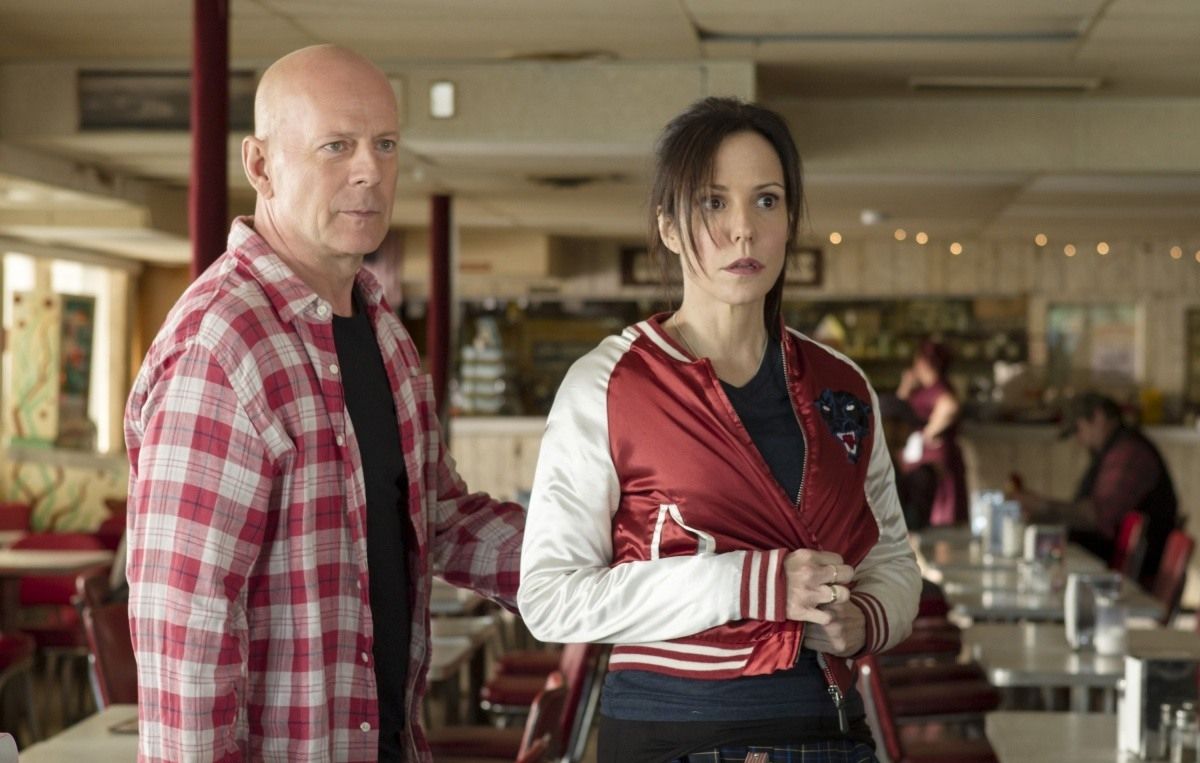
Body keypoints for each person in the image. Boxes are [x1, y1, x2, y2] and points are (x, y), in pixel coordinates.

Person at [124, 45, 524, 763]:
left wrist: (624, 554)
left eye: (385, 144)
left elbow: (438, 518)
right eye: (336, 146)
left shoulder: (383, 333)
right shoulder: (223, 346)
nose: (369, 170)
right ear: (260, 165)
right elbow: (186, 631)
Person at [518, 97, 921, 763]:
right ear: (668, 226)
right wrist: (751, 582)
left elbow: (893, 561)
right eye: (712, 202)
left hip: (831, 731)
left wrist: (866, 619)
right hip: (676, 733)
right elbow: (551, 596)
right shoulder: (609, 384)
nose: (743, 230)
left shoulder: (842, 385)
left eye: (767, 201)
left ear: (789, 222)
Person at [1013, 392, 1178, 583]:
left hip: (1132, 575)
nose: (1079, 440)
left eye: (1079, 429)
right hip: (1113, 565)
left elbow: (1099, 516)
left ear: (1098, 417)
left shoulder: (1128, 454)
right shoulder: (1113, 449)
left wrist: (1042, 507)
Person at [895, 340, 968, 526]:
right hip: (920, 460)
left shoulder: (938, 387)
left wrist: (927, 433)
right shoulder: (922, 387)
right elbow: (897, 410)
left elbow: (950, 406)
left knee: (940, 513)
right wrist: (906, 386)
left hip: (935, 458)